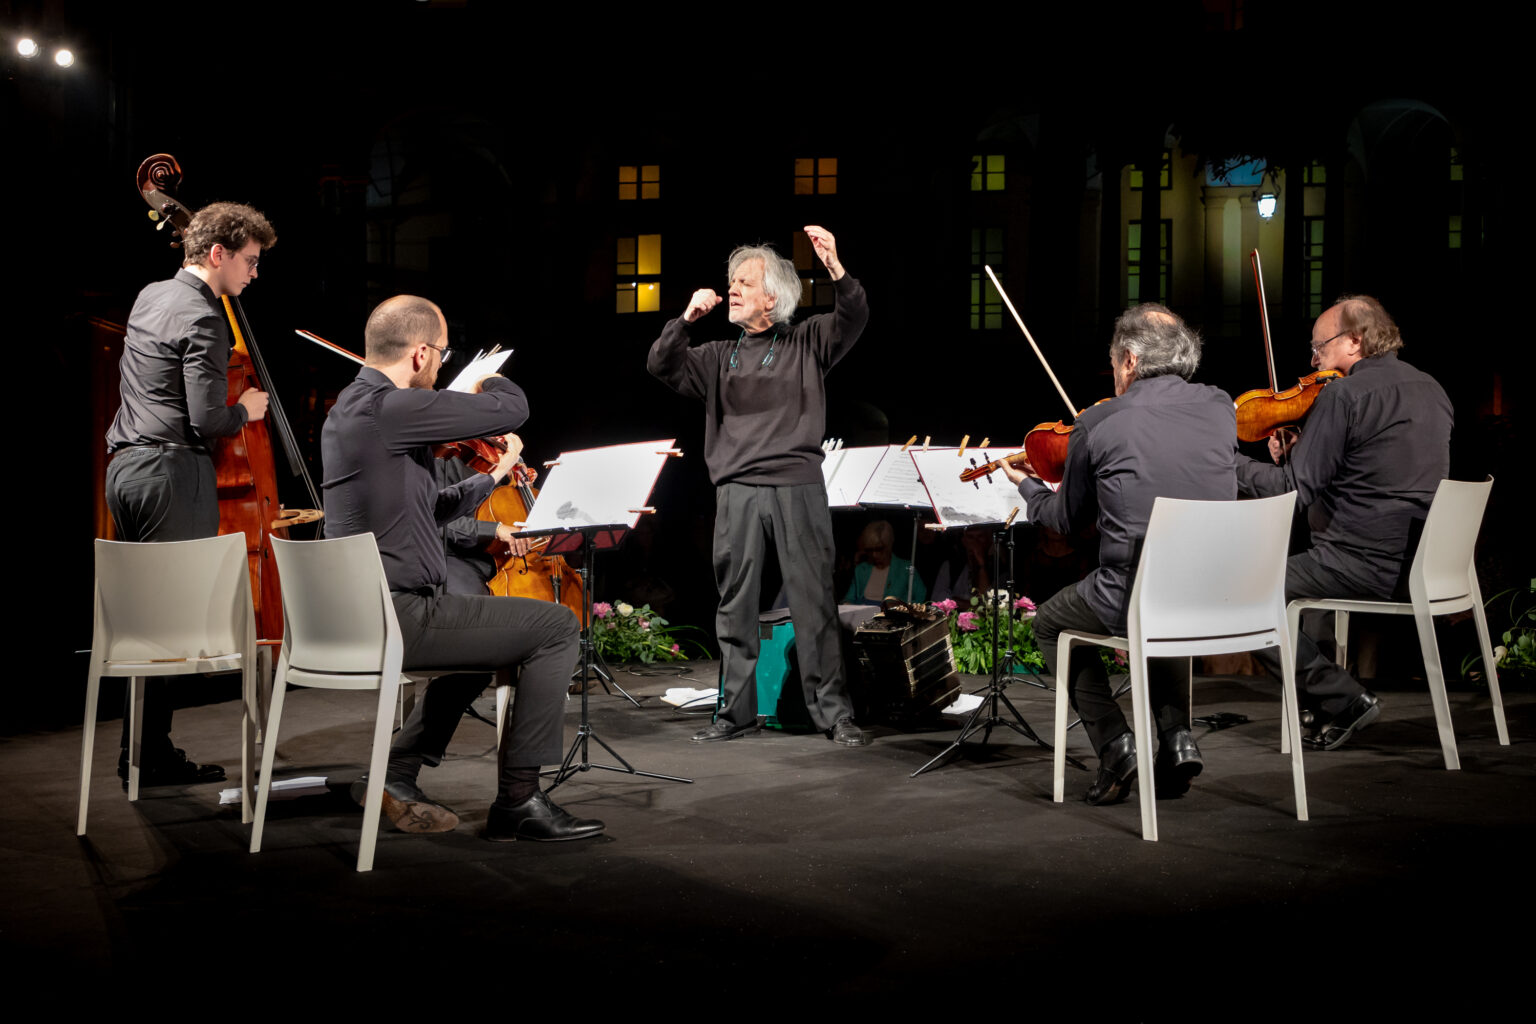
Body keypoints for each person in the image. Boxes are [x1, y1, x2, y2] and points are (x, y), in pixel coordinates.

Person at [322, 295, 601, 842]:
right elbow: (513, 409)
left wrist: (490, 479)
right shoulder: (392, 407)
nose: (443, 368)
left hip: (362, 612)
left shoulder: (349, 409)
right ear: (422, 353)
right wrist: (484, 382)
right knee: (557, 627)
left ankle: (397, 775)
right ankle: (519, 799)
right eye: (444, 356)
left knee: (482, 645)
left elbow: (426, 508)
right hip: (397, 615)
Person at [1004, 304, 1236, 805]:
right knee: (1163, 603)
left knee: (1050, 623)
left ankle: (1115, 746)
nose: (1113, 373)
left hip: (1139, 594)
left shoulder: (1100, 420)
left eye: (1113, 363)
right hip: (1214, 591)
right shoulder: (1219, 405)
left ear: (1129, 360)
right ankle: (1176, 740)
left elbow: (1065, 519)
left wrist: (1027, 486)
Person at [647, 226, 869, 746]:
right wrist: (685, 320)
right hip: (737, 491)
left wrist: (835, 265)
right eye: (732, 281)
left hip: (797, 486)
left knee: (813, 602)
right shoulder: (716, 356)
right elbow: (660, 364)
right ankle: (735, 712)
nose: (733, 290)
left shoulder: (807, 340)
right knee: (736, 604)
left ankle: (833, 713)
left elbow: (854, 315)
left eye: (745, 281)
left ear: (773, 296)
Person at [104, 201, 276, 787]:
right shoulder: (203, 315)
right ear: (219, 254)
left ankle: (141, 751)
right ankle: (147, 757)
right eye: (250, 261)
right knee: (173, 625)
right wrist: (245, 409)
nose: (254, 274)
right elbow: (206, 418)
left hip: (125, 472)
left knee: (151, 621)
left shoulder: (151, 294)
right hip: (170, 473)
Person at [1239, 295, 1453, 750]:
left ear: (1355, 340)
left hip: (1361, 563)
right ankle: (1325, 706)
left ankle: (1345, 699)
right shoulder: (1432, 387)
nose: (1313, 359)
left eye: (1320, 347)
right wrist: (1302, 448)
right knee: (1301, 590)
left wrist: (1227, 463)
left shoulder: (1344, 393)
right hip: (1422, 565)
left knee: (1240, 593)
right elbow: (1371, 469)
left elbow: (1292, 491)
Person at [843, 520, 927, 605]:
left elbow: (921, 597)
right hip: (862, 615)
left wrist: (901, 607)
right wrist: (847, 605)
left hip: (893, 616)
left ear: (889, 545)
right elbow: (849, 598)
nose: (874, 555)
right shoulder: (861, 569)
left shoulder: (905, 568)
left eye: (879, 549)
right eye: (870, 550)